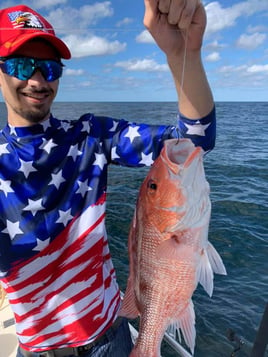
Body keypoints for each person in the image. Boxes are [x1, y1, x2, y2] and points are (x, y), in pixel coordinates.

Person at [0, 1, 215, 356]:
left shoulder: (90, 134)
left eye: (50, 69)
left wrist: (183, 53)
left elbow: (194, 141)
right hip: (38, 351)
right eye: (22, 65)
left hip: (110, 338)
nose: (37, 80)